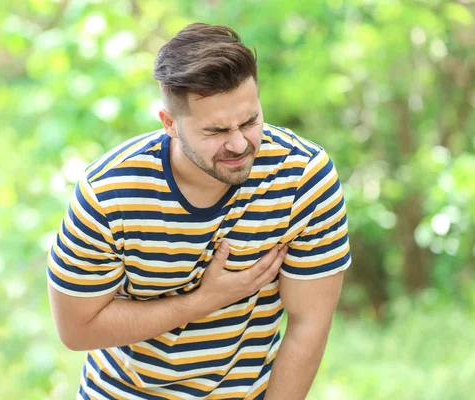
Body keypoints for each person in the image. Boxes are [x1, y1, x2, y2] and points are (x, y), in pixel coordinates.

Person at [47, 22, 351, 400]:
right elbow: (76, 331)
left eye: (250, 120)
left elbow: (310, 323)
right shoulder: (108, 194)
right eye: (216, 131)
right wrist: (203, 301)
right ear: (170, 124)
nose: (240, 143)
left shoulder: (304, 176)